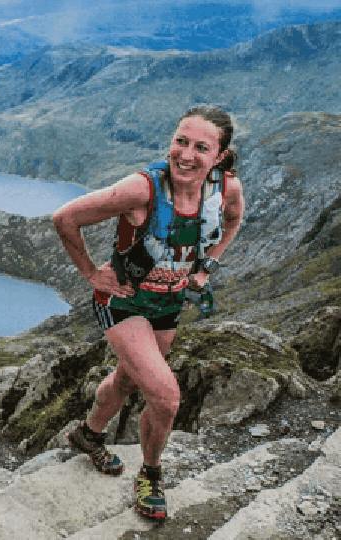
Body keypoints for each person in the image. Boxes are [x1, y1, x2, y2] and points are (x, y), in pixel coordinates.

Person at [51, 105, 245, 520]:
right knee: (166, 396)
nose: (186, 155)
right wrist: (90, 274)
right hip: (122, 301)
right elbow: (65, 218)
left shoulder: (226, 188)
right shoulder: (142, 189)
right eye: (180, 141)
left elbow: (232, 221)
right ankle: (151, 475)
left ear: (220, 156)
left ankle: (88, 435)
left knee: (128, 378)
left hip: (168, 303)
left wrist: (208, 264)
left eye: (201, 147)